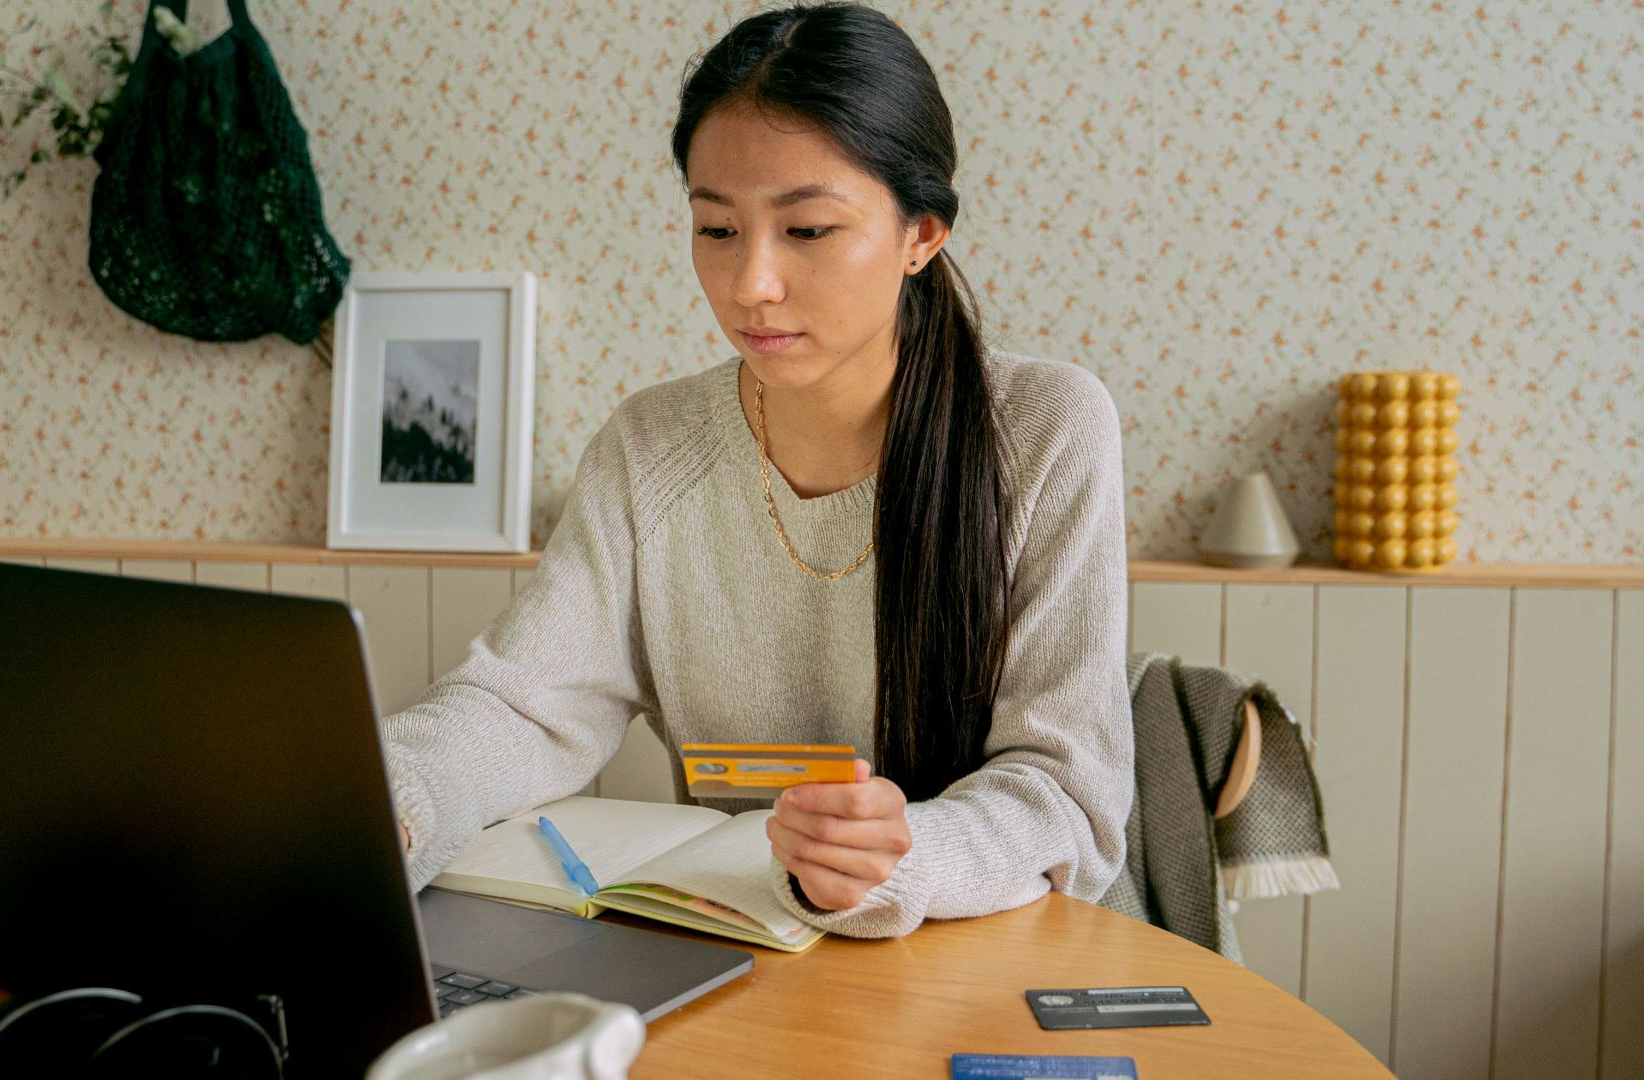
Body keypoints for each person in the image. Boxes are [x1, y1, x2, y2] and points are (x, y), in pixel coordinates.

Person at [381, 1, 1132, 939]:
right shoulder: (650, 446)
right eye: (718, 230)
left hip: (993, 955)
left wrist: (902, 858)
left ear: (922, 234)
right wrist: (386, 800)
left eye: (808, 230)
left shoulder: (1046, 428)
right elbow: (526, 709)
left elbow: (1065, 790)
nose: (751, 286)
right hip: (749, 958)